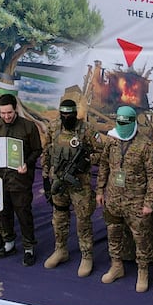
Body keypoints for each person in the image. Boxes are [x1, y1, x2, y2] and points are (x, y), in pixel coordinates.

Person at [95, 105, 153, 288]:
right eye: (119, 122)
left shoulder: (145, 144)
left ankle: (143, 271)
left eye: (125, 123)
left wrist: (149, 202)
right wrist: (100, 190)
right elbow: (104, 166)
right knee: (113, 233)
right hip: (113, 199)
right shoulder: (112, 140)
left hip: (136, 201)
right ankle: (116, 266)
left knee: (140, 238)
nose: (122, 126)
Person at [0, 92, 42, 264]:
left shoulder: (28, 127)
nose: (6, 116)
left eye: (9, 113)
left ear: (15, 109)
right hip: (1, 179)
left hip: (20, 180)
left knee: (24, 213)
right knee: (4, 212)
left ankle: (29, 247)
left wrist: (27, 163)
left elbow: (37, 150)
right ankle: (9, 242)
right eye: (3, 113)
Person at [43, 99, 99, 275]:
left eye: (70, 114)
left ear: (76, 114)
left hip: (80, 184)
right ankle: (61, 249)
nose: (67, 117)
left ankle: (87, 255)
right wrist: (46, 176)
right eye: (63, 114)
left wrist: (85, 161)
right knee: (59, 216)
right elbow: (47, 152)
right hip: (59, 181)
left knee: (83, 219)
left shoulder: (87, 130)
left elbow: (100, 152)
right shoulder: (53, 127)